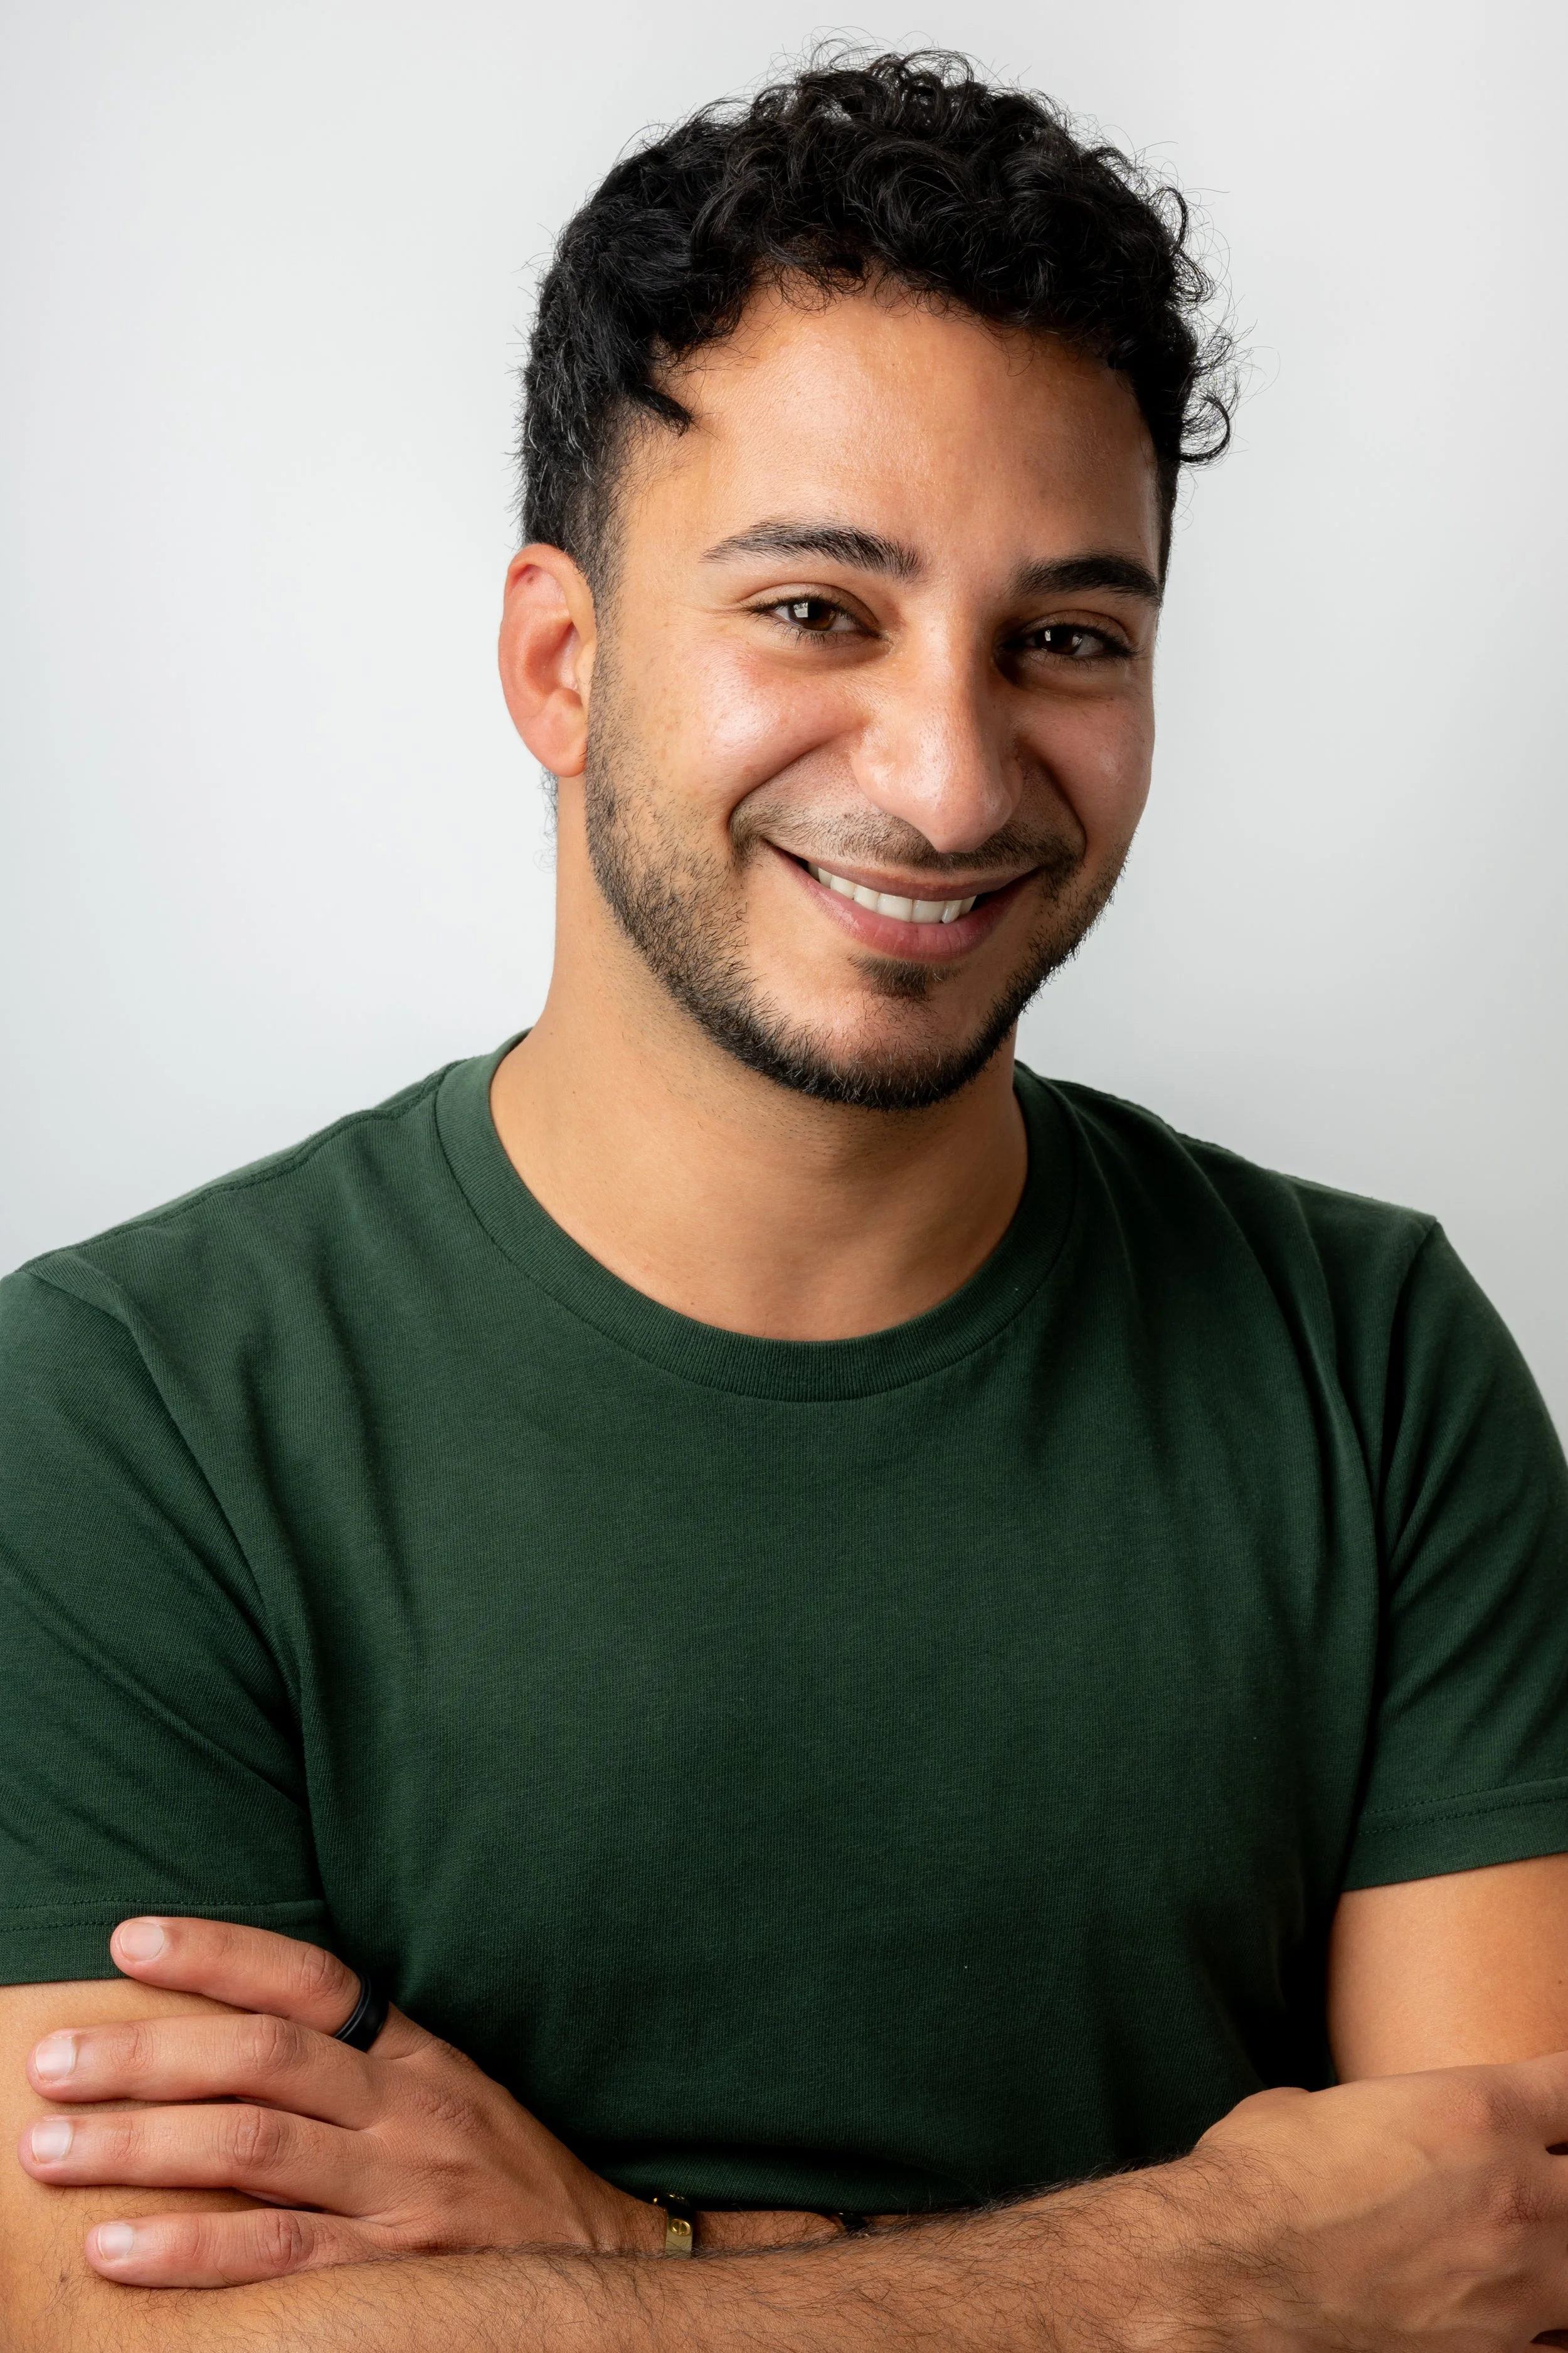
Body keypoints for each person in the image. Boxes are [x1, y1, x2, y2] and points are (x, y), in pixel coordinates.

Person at [3, 46, 1568, 2353]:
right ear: (563, 657)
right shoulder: (125, 1412)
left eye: (1065, 637)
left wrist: (617, 2263)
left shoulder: (1373, 1357)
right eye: (817, 610)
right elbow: (124, 2340)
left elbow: (1491, 2271)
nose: (945, 777)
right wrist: (1215, 2279)